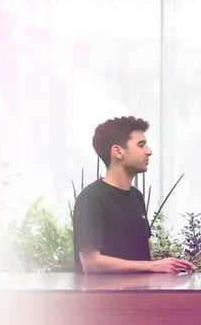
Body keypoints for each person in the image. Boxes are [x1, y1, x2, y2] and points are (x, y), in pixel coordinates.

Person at [73, 116, 194, 274]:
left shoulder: (137, 196)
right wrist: (153, 266)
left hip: (139, 297)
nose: (149, 151)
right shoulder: (91, 198)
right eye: (141, 145)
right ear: (118, 151)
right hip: (105, 298)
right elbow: (91, 263)